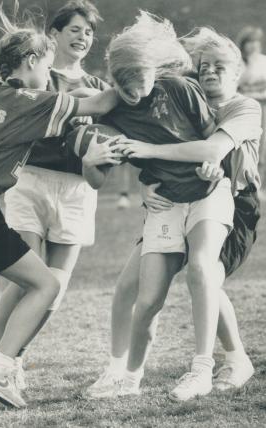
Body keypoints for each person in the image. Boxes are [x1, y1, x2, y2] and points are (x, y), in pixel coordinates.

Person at [0, 2, 118, 410]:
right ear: (32, 60)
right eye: (46, 66)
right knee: (46, 284)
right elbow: (101, 106)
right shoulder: (32, 101)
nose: (48, 78)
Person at [84, 24, 261, 401]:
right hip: (169, 196)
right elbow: (125, 130)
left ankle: (224, 361)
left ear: (238, 72)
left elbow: (210, 151)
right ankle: (122, 373)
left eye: (219, 66)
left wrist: (149, 156)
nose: (210, 71)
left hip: (234, 198)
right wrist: (144, 182)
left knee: (204, 272)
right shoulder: (174, 96)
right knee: (136, 291)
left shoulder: (243, 106)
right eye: (203, 66)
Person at [237, 26, 266, 189]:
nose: (253, 46)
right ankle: (240, 182)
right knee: (242, 144)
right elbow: (234, 86)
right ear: (243, 44)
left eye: (256, 42)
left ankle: (257, 184)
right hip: (243, 108)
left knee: (261, 146)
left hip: (262, 108)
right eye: (249, 42)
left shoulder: (263, 61)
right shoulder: (237, 62)